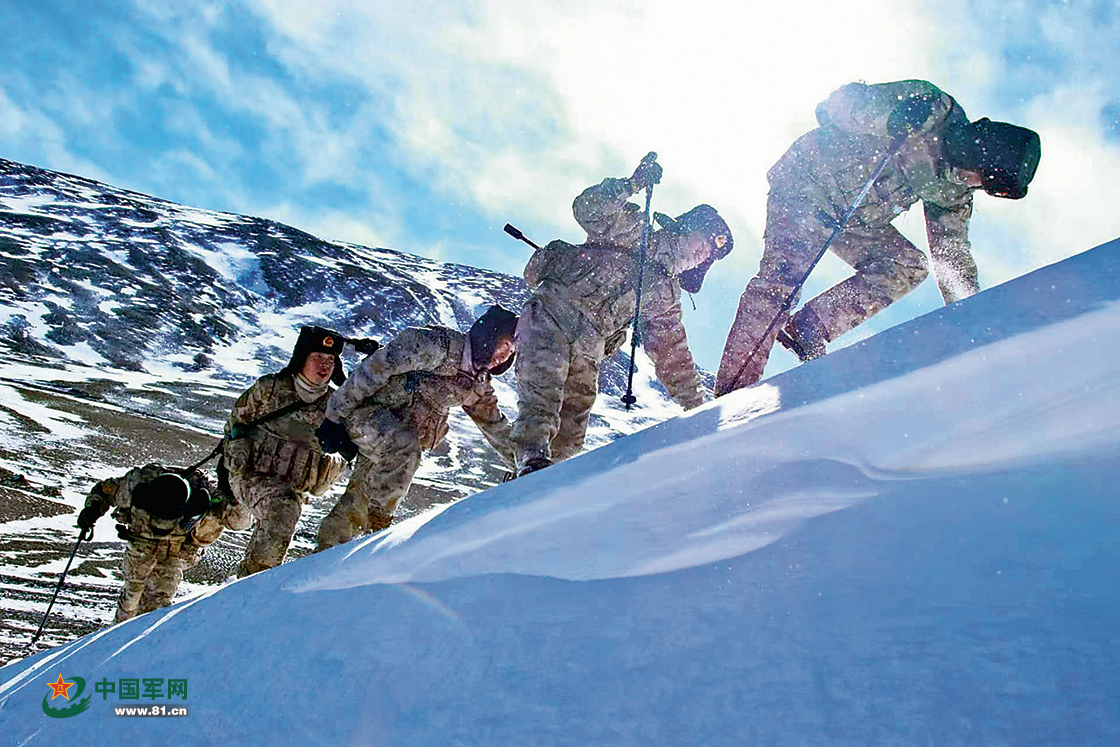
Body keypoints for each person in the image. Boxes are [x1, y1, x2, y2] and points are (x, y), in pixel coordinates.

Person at [715, 79, 1041, 396]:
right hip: (807, 187)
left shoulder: (954, 189)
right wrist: (889, 118)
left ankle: (811, 326)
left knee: (908, 266)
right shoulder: (932, 107)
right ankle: (733, 395)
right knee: (780, 283)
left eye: (981, 185)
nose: (973, 184)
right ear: (980, 154)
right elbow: (840, 104)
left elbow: (951, 256)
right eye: (980, 177)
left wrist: (973, 314)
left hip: (854, 220)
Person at [510, 154, 733, 476]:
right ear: (685, 229)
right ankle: (530, 462)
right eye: (705, 240)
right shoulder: (633, 229)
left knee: (572, 430)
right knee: (541, 399)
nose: (704, 252)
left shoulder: (667, 295)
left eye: (711, 253)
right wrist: (631, 184)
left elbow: (672, 354)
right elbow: (587, 208)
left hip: (589, 347)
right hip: (552, 316)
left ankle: (538, 484)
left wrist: (698, 407)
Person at [314, 305, 519, 550]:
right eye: (504, 345)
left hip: (391, 442)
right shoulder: (436, 346)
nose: (504, 355)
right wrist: (334, 417)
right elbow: (376, 368)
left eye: (512, 351)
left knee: (355, 506)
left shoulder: (477, 382)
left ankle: (320, 559)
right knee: (404, 448)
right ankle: (378, 529)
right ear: (489, 336)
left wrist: (524, 462)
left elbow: (494, 424)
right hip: (367, 418)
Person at [225, 326, 351, 576]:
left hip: (293, 488)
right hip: (251, 476)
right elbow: (236, 423)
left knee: (284, 506)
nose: (324, 365)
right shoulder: (270, 389)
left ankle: (246, 583)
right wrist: (237, 453)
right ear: (302, 358)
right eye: (317, 357)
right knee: (282, 508)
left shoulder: (338, 405)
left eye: (330, 359)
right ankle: (253, 585)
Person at [76, 464, 251, 623]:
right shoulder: (137, 484)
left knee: (155, 606)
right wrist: (92, 509)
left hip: (176, 553)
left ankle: (136, 647)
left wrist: (233, 497)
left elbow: (241, 522)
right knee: (131, 596)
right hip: (141, 545)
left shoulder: (208, 496)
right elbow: (104, 491)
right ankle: (113, 635)